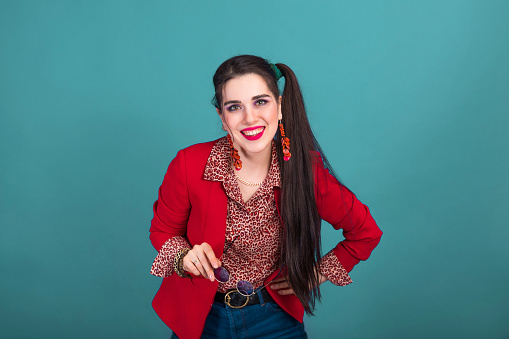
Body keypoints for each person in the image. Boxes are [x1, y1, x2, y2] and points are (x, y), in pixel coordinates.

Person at [149, 55, 382, 339]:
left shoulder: (305, 171)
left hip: (274, 320)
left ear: (280, 107)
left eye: (261, 102)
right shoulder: (189, 163)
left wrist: (318, 273)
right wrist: (184, 257)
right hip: (201, 318)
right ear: (223, 118)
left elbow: (365, 232)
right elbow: (163, 230)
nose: (250, 118)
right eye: (235, 107)